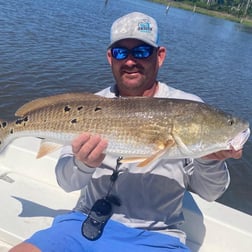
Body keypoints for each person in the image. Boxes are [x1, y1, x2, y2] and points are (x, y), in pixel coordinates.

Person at [10, 12, 243, 252]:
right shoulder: (87, 107)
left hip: (158, 236)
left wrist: (208, 161)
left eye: (141, 51)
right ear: (111, 58)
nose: (130, 61)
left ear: (159, 56)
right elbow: (66, 183)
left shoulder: (189, 108)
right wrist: (84, 164)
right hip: (84, 223)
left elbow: (211, 193)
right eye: (121, 52)